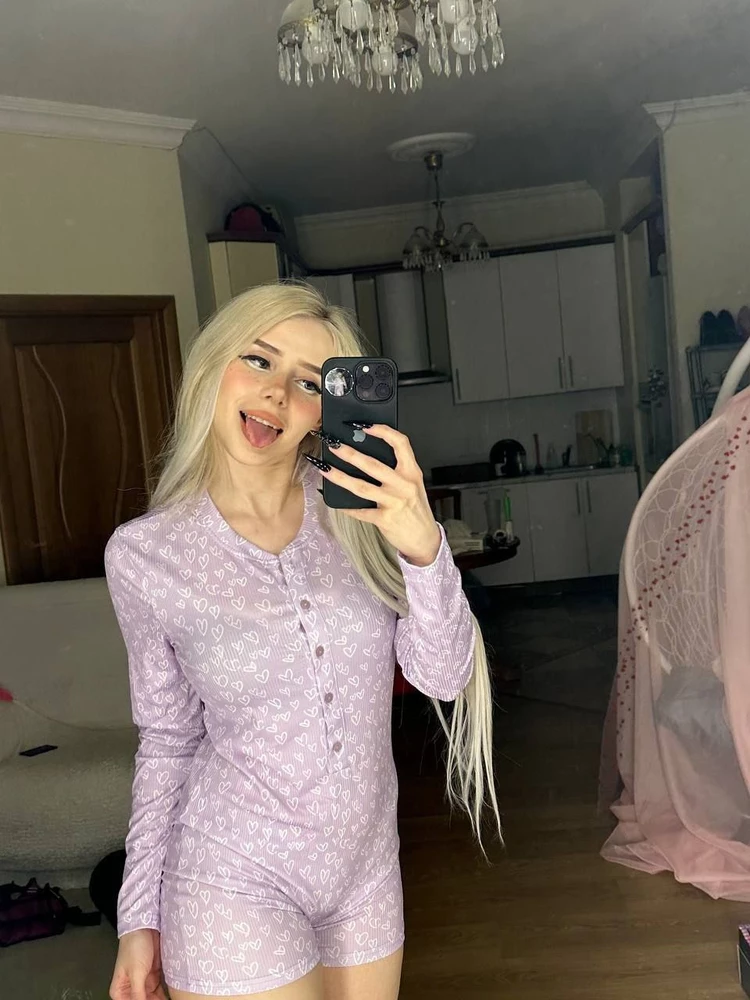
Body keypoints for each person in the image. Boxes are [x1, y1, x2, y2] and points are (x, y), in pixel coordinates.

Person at [105, 283, 500, 1000]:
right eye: (259, 360)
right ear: (213, 365)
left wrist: (423, 547)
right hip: (230, 874)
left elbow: (443, 677)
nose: (279, 394)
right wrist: (139, 916)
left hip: (366, 873)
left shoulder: (357, 514)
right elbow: (167, 741)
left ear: (329, 409)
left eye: (312, 382)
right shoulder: (145, 556)